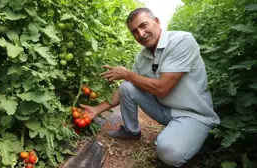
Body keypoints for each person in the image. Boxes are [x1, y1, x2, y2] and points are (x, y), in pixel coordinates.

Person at [80, 7, 220, 167]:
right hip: (164, 110)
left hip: (193, 114)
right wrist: (96, 109)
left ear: (157, 22)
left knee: (169, 152)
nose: (140, 34)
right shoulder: (142, 58)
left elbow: (162, 89)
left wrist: (127, 74)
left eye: (143, 25)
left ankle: (191, 135)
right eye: (134, 31)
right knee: (127, 86)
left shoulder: (181, 41)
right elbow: (126, 89)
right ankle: (132, 131)